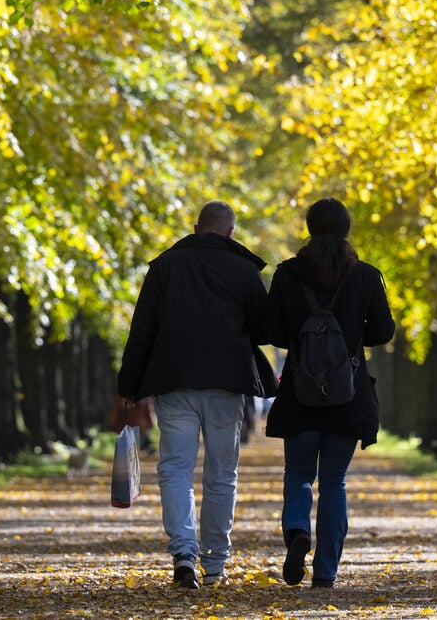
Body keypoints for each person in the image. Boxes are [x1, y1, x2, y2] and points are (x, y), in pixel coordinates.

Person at [117, 201, 271, 590]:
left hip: (174, 381)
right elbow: (265, 329)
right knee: (222, 474)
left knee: (175, 468)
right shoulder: (244, 269)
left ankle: (184, 550)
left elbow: (142, 331)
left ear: (196, 227)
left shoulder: (165, 267)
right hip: (226, 383)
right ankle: (215, 561)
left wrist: (128, 387)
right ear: (230, 232)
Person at [264, 198, 395, 589]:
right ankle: (325, 572)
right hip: (347, 393)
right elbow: (384, 332)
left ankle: (297, 530)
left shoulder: (287, 274)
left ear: (309, 228)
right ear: (346, 229)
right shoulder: (366, 276)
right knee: (334, 481)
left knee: (299, 472)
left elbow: (270, 330)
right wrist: (351, 340)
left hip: (300, 394)